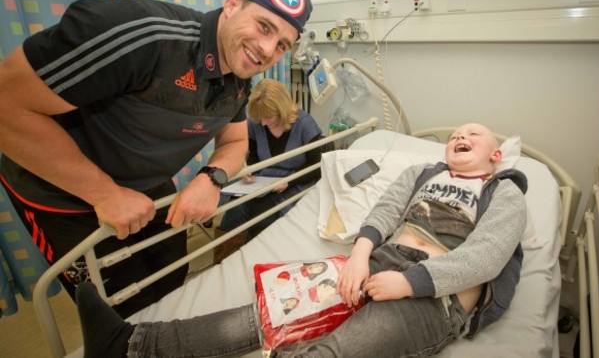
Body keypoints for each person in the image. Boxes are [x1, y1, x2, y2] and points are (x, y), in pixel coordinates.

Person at [0, 0, 312, 318]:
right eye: (264, 26)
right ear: (231, 4)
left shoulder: (239, 80)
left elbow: (236, 140)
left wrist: (212, 178)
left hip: (144, 184)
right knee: (120, 308)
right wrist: (104, 194)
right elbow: (6, 104)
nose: (268, 49)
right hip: (61, 192)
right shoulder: (143, 35)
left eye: (282, 44)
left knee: (171, 276)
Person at [75, 123, 528, 357]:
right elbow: (384, 211)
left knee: (327, 353)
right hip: (375, 263)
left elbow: (486, 258)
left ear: (494, 153)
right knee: (265, 317)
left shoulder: (504, 189)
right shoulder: (421, 172)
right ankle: (128, 346)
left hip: (435, 297)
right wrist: (359, 254)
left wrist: (410, 284)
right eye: (453, 135)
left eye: (472, 133)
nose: (458, 136)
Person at [214, 78, 325, 262]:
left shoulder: (305, 125)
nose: (263, 123)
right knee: (235, 210)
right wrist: (248, 168)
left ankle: (252, 262)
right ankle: (223, 263)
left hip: (294, 181)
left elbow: (316, 168)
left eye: (268, 118)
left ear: (281, 110)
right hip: (263, 180)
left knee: (261, 220)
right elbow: (255, 156)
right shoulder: (256, 123)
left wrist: (288, 182)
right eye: (260, 119)